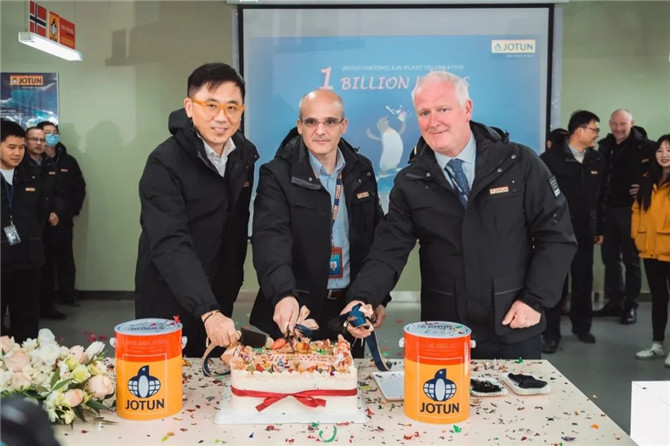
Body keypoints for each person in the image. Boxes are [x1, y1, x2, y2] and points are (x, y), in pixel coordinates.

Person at [343, 71, 577, 359]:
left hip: (514, 325)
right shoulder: (411, 181)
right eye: (424, 112)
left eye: (443, 109)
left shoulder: (518, 163)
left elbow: (556, 236)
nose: (434, 121)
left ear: (467, 109)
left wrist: (535, 299)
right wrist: (363, 297)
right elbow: (388, 249)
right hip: (443, 332)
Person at [249, 90, 387, 358]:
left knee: (347, 380)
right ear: (300, 126)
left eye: (330, 122)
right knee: (296, 381)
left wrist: (374, 295)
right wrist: (283, 295)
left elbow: (375, 238)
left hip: (349, 310)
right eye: (311, 122)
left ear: (343, 126)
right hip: (296, 310)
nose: (320, 131)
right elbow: (270, 241)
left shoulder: (362, 170)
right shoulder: (277, 174)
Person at [135, 63, 259, 358]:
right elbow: (170, 242)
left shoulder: (244, 155)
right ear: (190, 107)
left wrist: (224, 293)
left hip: (219, 295)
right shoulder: (164, 163)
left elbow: (237, 225)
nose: (222, 117)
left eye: (232, 107)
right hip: (169, 294)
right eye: (211, 105)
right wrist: (206, 309)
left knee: (213, 373)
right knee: (170, 375)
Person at [540, 111, 605, 353]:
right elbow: (540, 197)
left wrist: (600, 227)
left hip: (585, 231)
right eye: (594, 129)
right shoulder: (550, 159)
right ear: (579, 130)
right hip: (556, 232)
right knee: (556, 283)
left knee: (583, 280)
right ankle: (551, 334)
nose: (597, 134)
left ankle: (582, 327)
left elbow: (601, 196)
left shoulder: (596, 159)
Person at [595, 109, 656, 324]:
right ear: (609, 124)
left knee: (631, 260)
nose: (618, 128)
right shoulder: (604, 146)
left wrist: (645, 186)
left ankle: (630, 306)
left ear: (632, 123)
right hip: (608, 210)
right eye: (615, 124)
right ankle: (615, 302)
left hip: (633, 211)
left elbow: (663, 173)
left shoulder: (648, 147)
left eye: (623, 124)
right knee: (610, 259)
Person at [1, 119, 45, 343]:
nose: (17, 153)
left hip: (28, 258)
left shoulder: (32, 175)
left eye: (21, 147)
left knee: (26, 319)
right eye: (11, 147)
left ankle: (26, 361)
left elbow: (41, 213)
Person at [36, 121, 86, 308]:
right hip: (41, 222)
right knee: (44, 262)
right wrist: (47, 214)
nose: (52, 136)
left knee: (66, 259)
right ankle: (46, 300)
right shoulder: (34, 160)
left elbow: (78, 189)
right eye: (47, 132)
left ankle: (68, 295)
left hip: (64, 220)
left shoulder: (68, 161)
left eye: (54, 132)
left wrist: (67, 213)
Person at [631, 134, 670, 366]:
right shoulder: (648, 179)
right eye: (660, 150)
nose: (664, 155)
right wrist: (638, 237)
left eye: (669, 150)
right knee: (659, 298)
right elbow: (637, 210)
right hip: (650, 250)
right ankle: (657, 344)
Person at [22, 127, 64, 320]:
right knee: (28, 272)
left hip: (49, 226)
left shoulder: (49, 164)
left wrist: (56, 211)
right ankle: (28, 311)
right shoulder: (20, 164)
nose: (39, 143)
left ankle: (48, 306)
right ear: (26, 141)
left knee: (48, 268)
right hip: (28, 226)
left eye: (42, 140)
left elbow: (59, 192)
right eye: (34, 139)